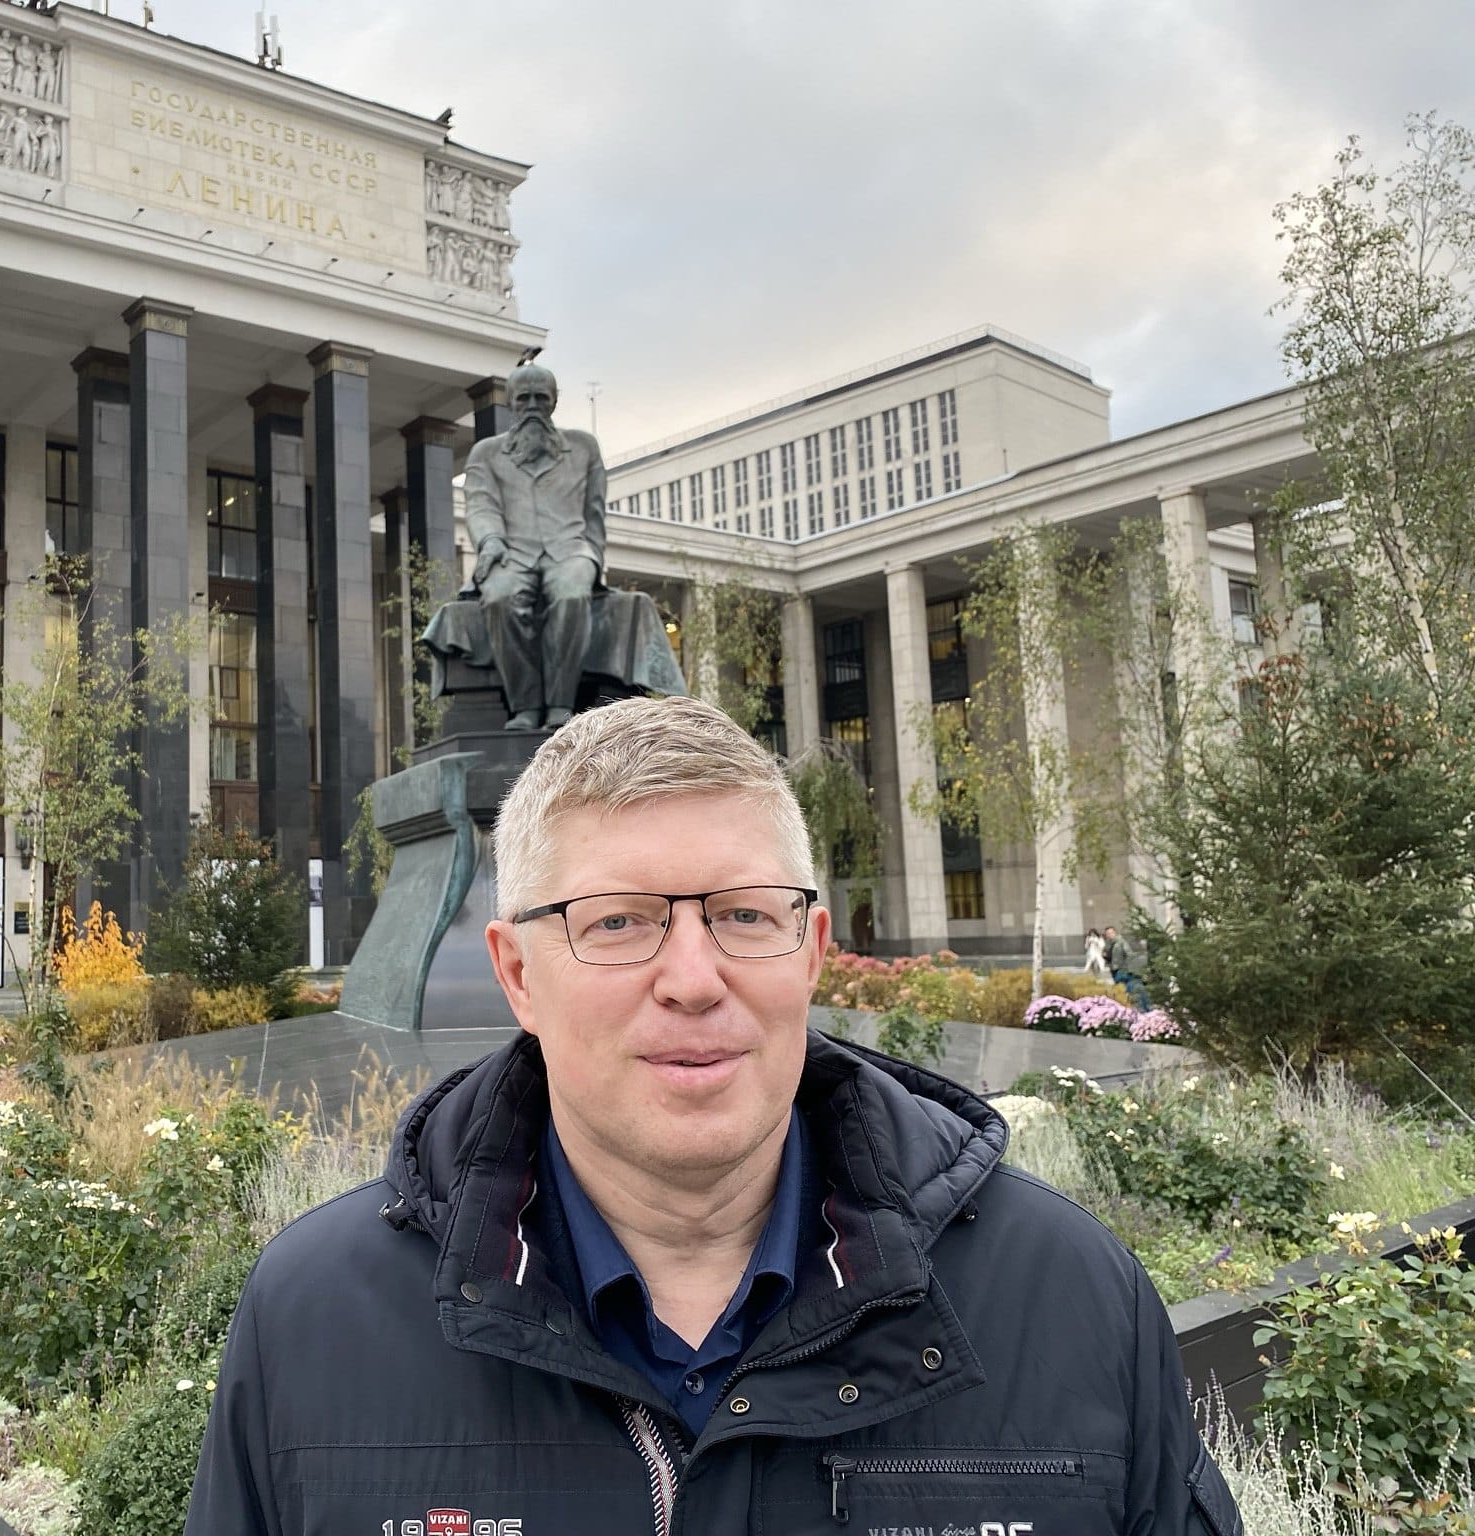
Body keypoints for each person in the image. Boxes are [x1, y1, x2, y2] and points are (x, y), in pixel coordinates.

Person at [186, 696, 1240, 1536]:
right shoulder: (312, 1322)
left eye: (742, 915)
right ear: (516, 973)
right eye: (617, 922)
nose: (693, 979)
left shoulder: (1068, 1299)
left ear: (811, 949)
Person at [460, 362, 607, 731]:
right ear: (510, 403)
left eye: (541, 398)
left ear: (554, 402)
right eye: (523, 398)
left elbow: (595, 513)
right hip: (512, 552)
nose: (532, 406)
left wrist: (592, 557)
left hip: (570, 549)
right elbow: (481, 505)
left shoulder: (584, 448)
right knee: (499, 597)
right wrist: (491, 541)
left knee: (573, 593)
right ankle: (524, 707)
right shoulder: (485, 454)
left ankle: (560, 705)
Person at [1105, 923, 1150, 1008]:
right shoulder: (1110, 944)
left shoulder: (1121, 942)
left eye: (1111, 933)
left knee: (1127, 988)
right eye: (1107, 934)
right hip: (1115, 969)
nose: (1109, 935)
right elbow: (1110, 956)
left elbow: (1129, 954)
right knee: (1121, 989)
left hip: (1122, 970)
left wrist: (1127, 967)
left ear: (1115, 933)